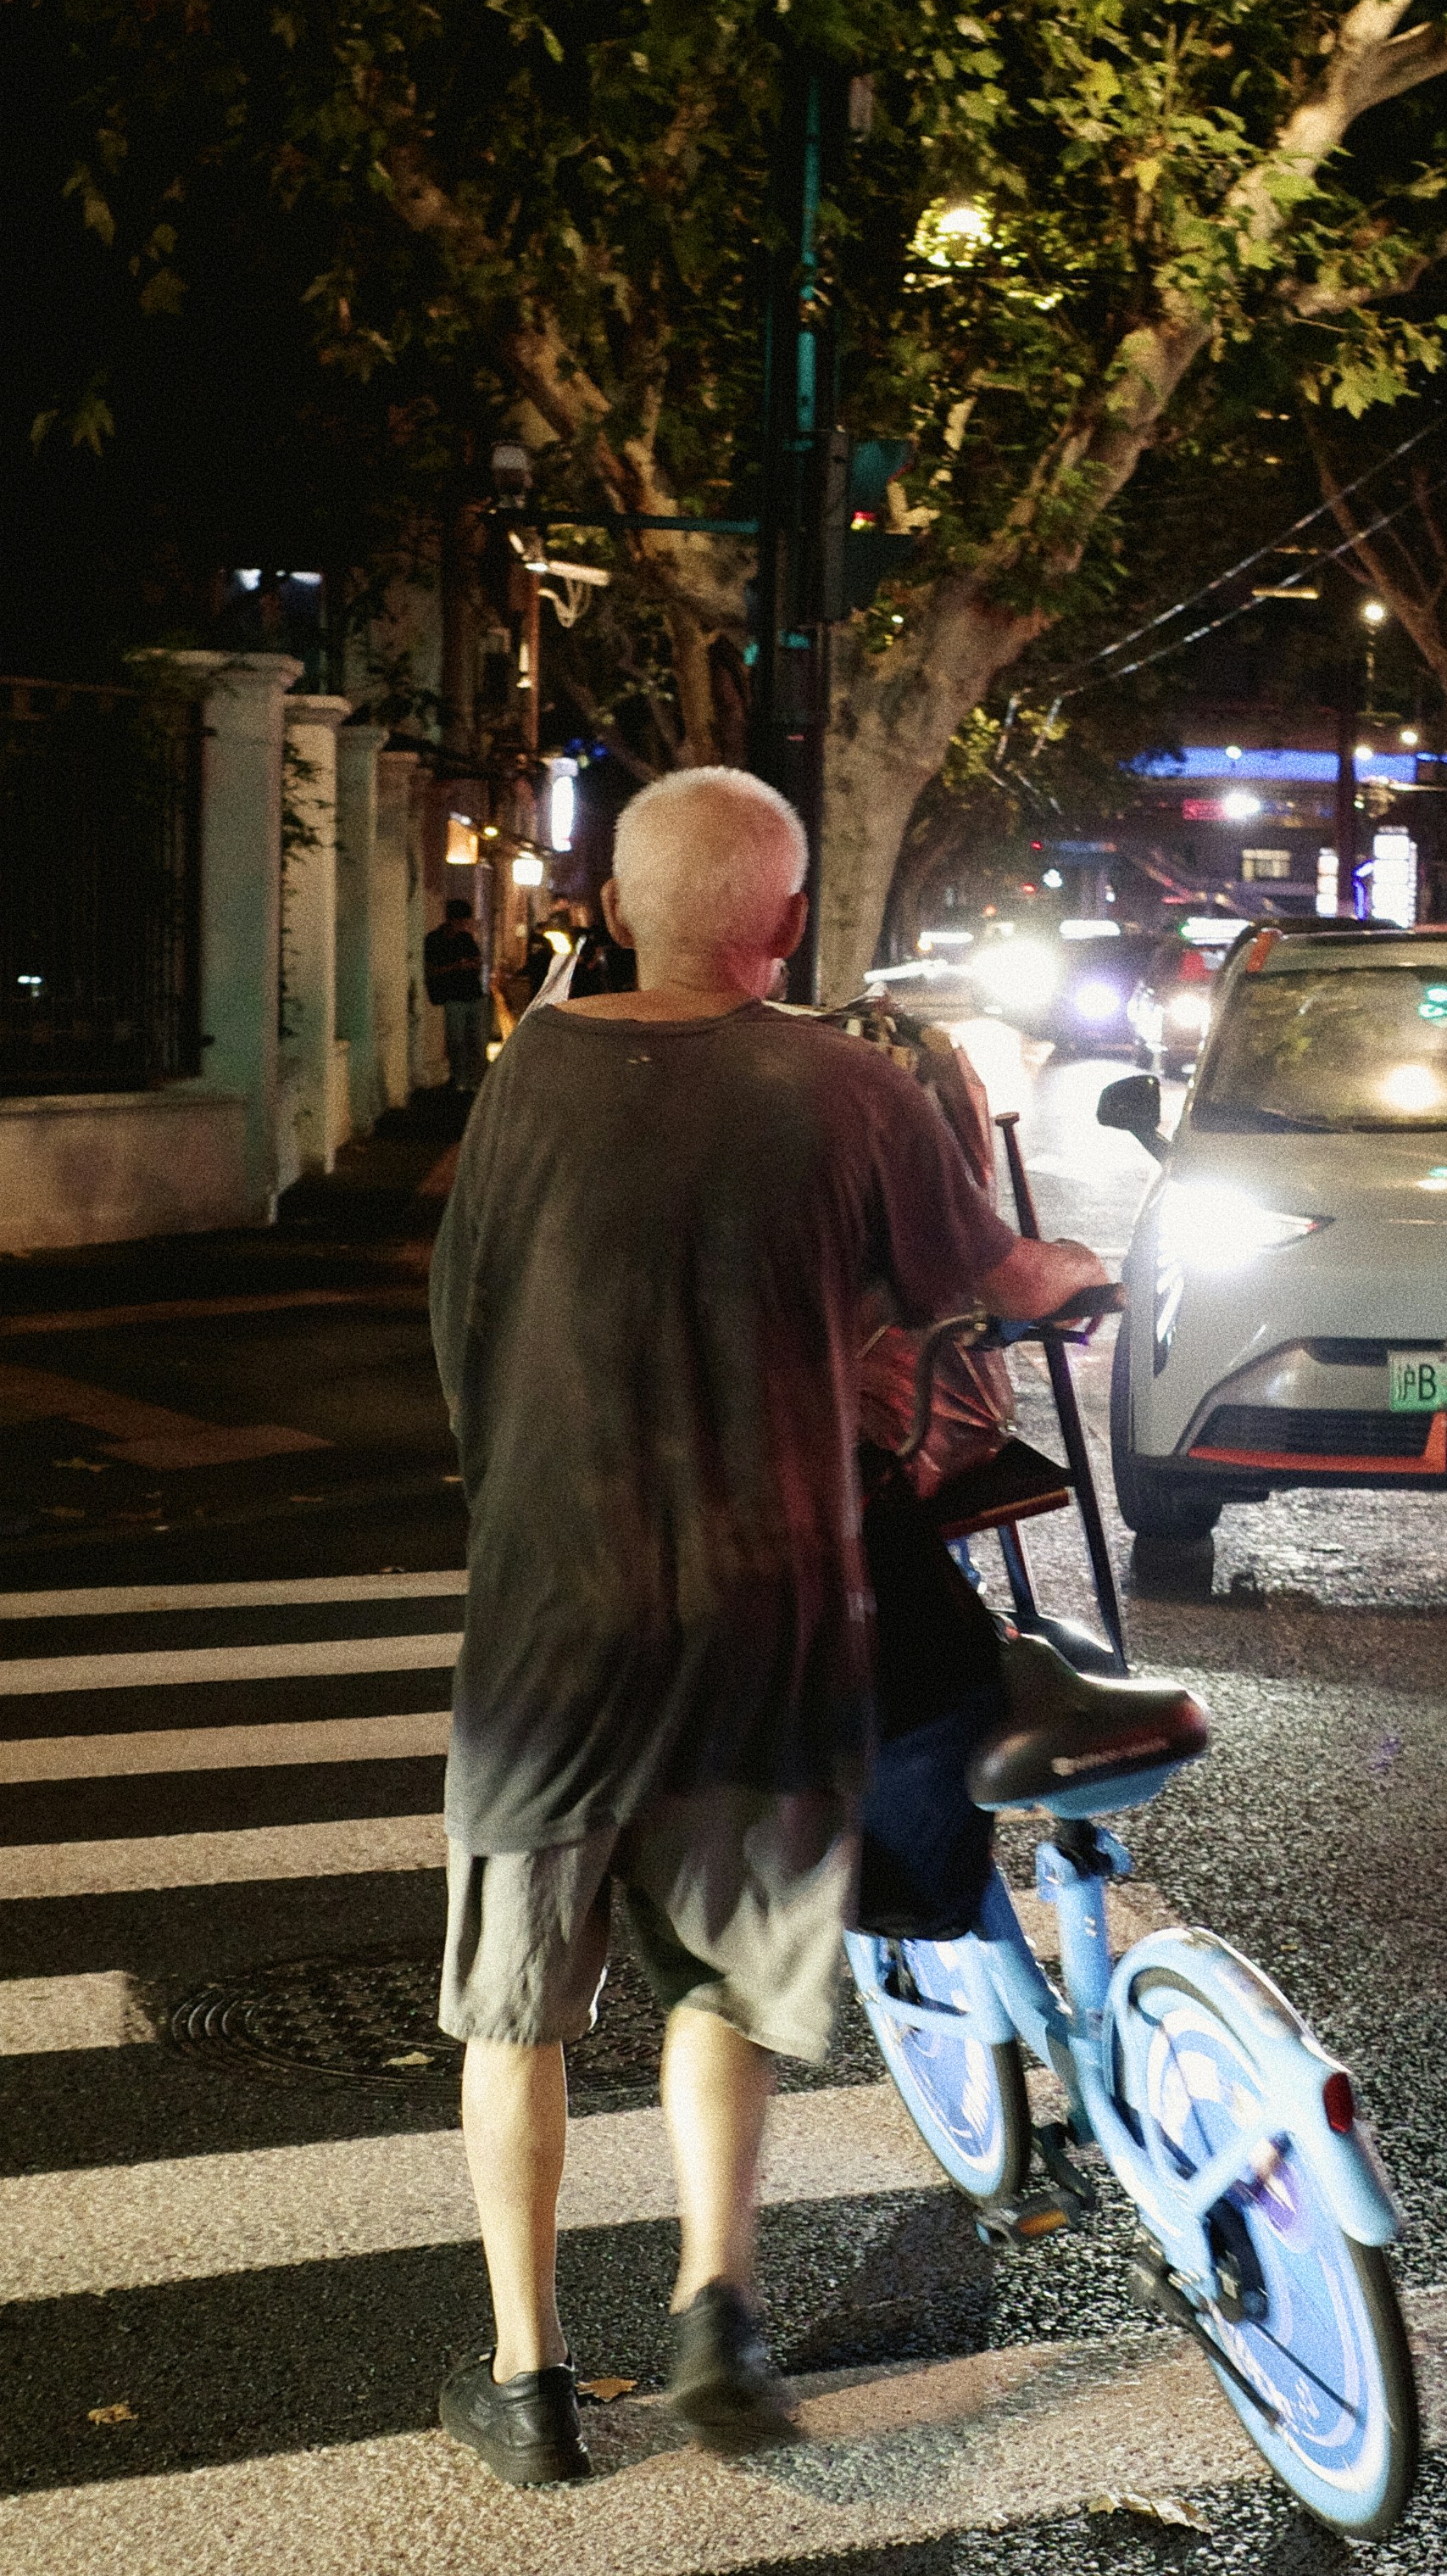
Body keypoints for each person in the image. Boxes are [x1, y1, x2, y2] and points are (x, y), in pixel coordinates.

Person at [426, 767, 1104, 2488]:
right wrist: (1077, 1267)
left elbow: (464, 1324)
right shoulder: (845, 1084)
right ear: (785, 921)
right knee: (723, 1970)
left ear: (611, 904)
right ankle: (716, 2308)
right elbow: (995, 1278)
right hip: (771, 1610)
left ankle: (527, 2381)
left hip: (552, 1621)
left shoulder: (528, 1074)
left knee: (520, 2006)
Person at [424, 897, 491, 1092]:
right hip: (453, 996)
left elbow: (477, 962)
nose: (464, 925)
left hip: (473, 994)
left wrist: (469, 965)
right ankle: (459, 1079)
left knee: (476, 1040)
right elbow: (431, 969)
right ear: (451, 919)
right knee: (456, 1040)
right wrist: (456, 966)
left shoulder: (466, 939)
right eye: (461, 921)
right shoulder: (434, 940)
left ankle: (474, 1081)